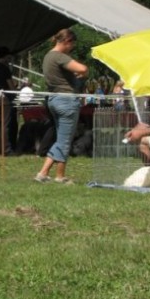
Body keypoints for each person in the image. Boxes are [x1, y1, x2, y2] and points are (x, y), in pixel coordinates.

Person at [34, 29, 88, 184]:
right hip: (66, 100)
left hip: (54, 99)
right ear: (66, 41)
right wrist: (83, 74)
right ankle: (60, 176)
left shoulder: (48, 56)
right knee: (65, 141)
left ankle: (43, 173)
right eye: (72, 44)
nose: (72, 47)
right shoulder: (60, 56)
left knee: (61, 139)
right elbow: (83, 69)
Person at [0, 46, 18, 156]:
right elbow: (11, 85)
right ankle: (6, 149)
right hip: (5, 98)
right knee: (6, 124)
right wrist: (17, 89)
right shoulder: (5, 68)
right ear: (5, 56)